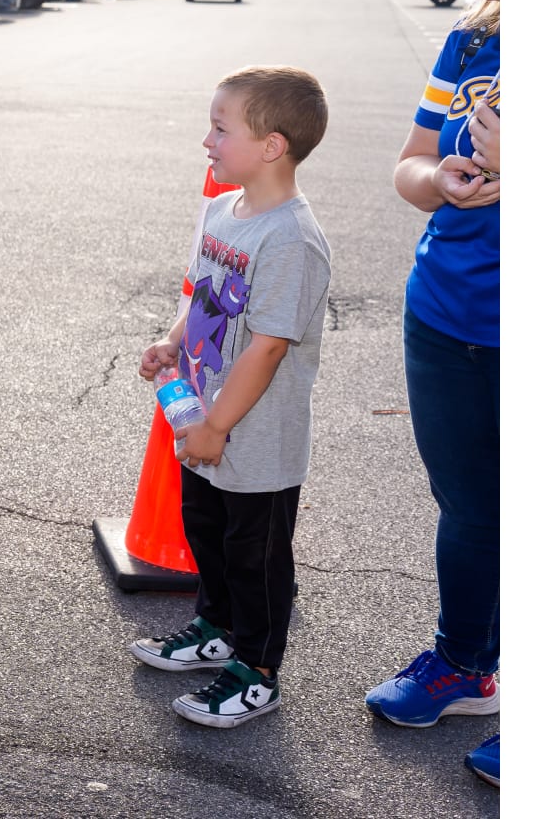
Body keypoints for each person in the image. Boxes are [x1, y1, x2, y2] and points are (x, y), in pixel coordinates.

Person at [129, 65, 332, 729]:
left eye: (221, 129)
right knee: (207, 533)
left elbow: (268, 346)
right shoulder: (223, 212)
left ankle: (256, 672)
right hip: (206, 421)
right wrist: (171, 343)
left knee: (256, 558)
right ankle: (215, 629)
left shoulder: (291, 240)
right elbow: (204, 298)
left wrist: (216, 426)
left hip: (255, 438)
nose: (207, 141)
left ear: (272, 145)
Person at [363, 0, 500, 789]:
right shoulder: (470, 37)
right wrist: (439, 180)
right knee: (469, 507)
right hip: (445, 314)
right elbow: (410, 163)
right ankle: (464, 667)